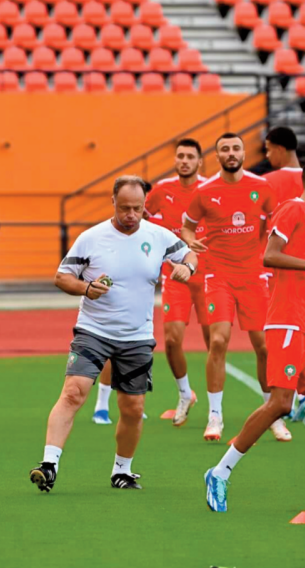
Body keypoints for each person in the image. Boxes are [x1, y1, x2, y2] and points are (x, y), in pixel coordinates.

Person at [205, 156, 305, 513]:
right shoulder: (292, 210)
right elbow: (270, 256)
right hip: (287, 323)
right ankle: (219, 471)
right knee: (280, 403)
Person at [29, 176, 197, 493]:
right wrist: (86, 288)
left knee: (132, 408)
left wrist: (188, 268)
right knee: (74, 392)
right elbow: (62, 277)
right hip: (93, 330)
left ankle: (122, 470)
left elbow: (189, 255)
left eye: (138, 208)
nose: (131, 214)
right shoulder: (91, 238)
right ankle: (49, 465)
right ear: (113, 203)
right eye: (125, 208)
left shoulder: (159, 236)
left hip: (136, 336)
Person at [181, 133, 292, 443]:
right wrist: (191, 240)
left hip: (254, 276)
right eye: (225, 149)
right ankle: (214, 416)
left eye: (236, 148)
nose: (231, 153)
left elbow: (279, 221)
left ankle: (273, 414)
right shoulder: (206, 191)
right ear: (218, 156)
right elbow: (187, 225)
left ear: (244, 152)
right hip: (218, 276)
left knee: (265, 346)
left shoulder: (262, 187)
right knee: (219, 340)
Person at [138, 138, 210, 426]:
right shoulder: (161, 191)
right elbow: (145, 222)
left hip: (208, 275)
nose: (184, 161)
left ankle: (215, 410)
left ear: (199, 161)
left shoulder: (210, 189)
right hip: (175, 275)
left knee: (214, 342)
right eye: (180, 156)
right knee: (171, 340)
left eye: (190, 156)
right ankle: (184, 394)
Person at [264, 125, 305, 423]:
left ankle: (285, 396)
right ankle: (304, 392)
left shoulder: (267, 182)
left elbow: (265, 229)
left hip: (278, 275)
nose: (266, 155)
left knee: (271, 338)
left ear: (280, 148)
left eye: (268, 149)